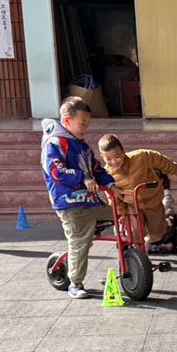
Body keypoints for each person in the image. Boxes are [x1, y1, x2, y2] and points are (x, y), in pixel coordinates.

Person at [40, 97, 115, 299]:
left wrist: (111, 184)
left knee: (122, 213)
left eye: (88, 124)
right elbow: (56, 171)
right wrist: (83, 177)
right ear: (67, 121)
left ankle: (131, 258)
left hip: (90, 201)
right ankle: (75, 283)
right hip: (70, 203)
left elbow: (96, 168)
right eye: (82, 124)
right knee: (80, 241)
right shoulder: (55, 143)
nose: (86, 128)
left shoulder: (81, 145)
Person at [97, 135, 177, 253]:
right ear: (102, 157)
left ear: (123, 151)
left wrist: (172, 168)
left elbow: (158, 158)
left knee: (157, 232)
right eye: (109, 159)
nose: (114, 162)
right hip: (132, 205)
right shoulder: (108, 174)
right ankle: (138, 251)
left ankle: (149, 241)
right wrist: (121, 213)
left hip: (152, 200)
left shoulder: (140, 157)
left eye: (117, 157)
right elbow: (113, 196)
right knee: (135, 234)